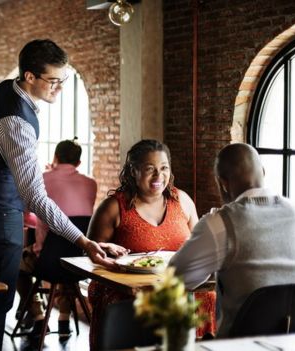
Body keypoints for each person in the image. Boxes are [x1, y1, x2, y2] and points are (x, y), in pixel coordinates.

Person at [0, 39, 126, 351]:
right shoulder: (16, 123)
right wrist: (84, 242)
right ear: (30, 77)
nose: (60, 89)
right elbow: (35, 197)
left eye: (64, 81)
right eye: (53, 81)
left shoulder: (3, 89)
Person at [86, 139, 216, 349]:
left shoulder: (182, 200)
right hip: (126, 289)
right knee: (123, 303)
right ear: (133, 171)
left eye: (164, 168)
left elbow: (199, 247)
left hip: (177, 284)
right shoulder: (113, 207)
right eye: (150, 169)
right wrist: (105, 251)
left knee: (207, 296)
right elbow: (91, 256)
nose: (158, 176)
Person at [170, 143, 295, 337]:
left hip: (239, 344)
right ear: (263, 172)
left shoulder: (220, 223)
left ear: (222, 183)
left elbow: (176, 277)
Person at [17, 138, 97, 338]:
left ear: (55, 157)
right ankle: (64, 318)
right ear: (78, 163)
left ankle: (38, 316)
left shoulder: (42, 179)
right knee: (67, 258)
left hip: (48, 263)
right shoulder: (91, 184)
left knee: (16, 264)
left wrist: (48, 174)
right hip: (80, 263)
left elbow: (27, 215)